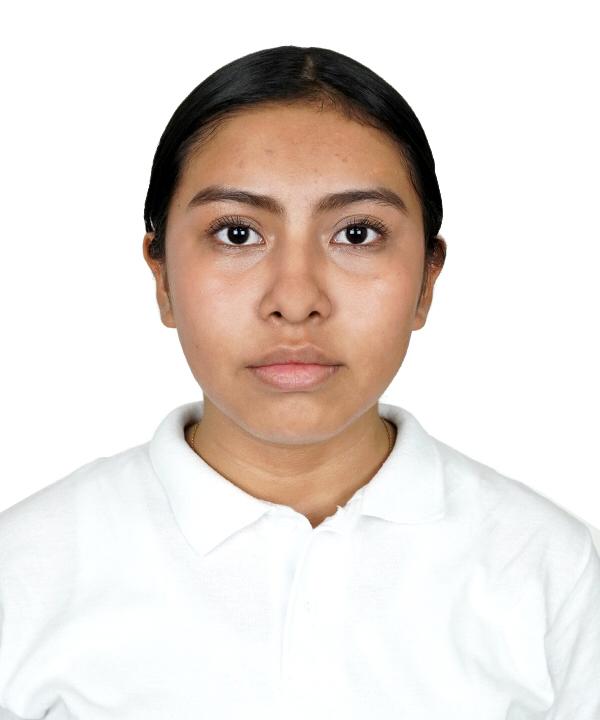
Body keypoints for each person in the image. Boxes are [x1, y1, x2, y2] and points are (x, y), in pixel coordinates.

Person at [0, 45, 598, 720]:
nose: (295, 299)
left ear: (427, 281)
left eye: (357, 233)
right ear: (162, 277)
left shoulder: (551, 570)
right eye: (236, 233)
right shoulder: (22, 574)